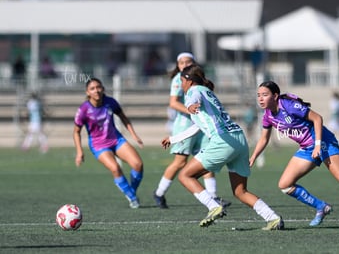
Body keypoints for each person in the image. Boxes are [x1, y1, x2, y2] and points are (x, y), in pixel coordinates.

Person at [249, 81, 339, 227]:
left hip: (323, 142)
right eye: (258, 95)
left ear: (275, 96)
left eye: (264, 95)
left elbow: (317, 118)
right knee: (285, 184)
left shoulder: (288, 105)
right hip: (307, 148)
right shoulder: (267, 115)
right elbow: (264, 138)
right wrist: (253, 157)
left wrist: (317, 144)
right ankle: (321, 207)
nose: (260, 98)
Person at [161, 65, 284, 230]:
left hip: (223, 141)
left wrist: (190, 105)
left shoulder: (194, 90)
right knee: (240, 191)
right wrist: (174, 138)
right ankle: (273, 218)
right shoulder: (210, 93)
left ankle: (213, 206)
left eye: (182, 81)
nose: (182, 85)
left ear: (189, 81)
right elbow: (199, 126)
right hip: (239, 140)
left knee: (185, 176)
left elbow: (193, 97)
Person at [153, 52, 230, 209]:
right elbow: (173, 103)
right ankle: (159, 193)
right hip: (185, 124)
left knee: (206, 159)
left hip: (202, 125)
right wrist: (191, 110)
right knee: (180, 162)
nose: (185, 64)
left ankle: (213, 197)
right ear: (177, 65)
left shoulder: (198, 80)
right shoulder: (178, 79)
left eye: (188, 62)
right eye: (181, 62)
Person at [73, 78, 144, 209]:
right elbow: (76, 131)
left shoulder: (110, 102)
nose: (96, 90)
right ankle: (133, 198)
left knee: (138, 164)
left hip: (116, 140)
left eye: (98, 87)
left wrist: (134, 135)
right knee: (115, 168)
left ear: (103, 88)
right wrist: (79, 152)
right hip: (99, 145)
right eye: (92, 88)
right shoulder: (83, 110)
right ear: (87, 92)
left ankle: (130, 192)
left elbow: (123, 117)